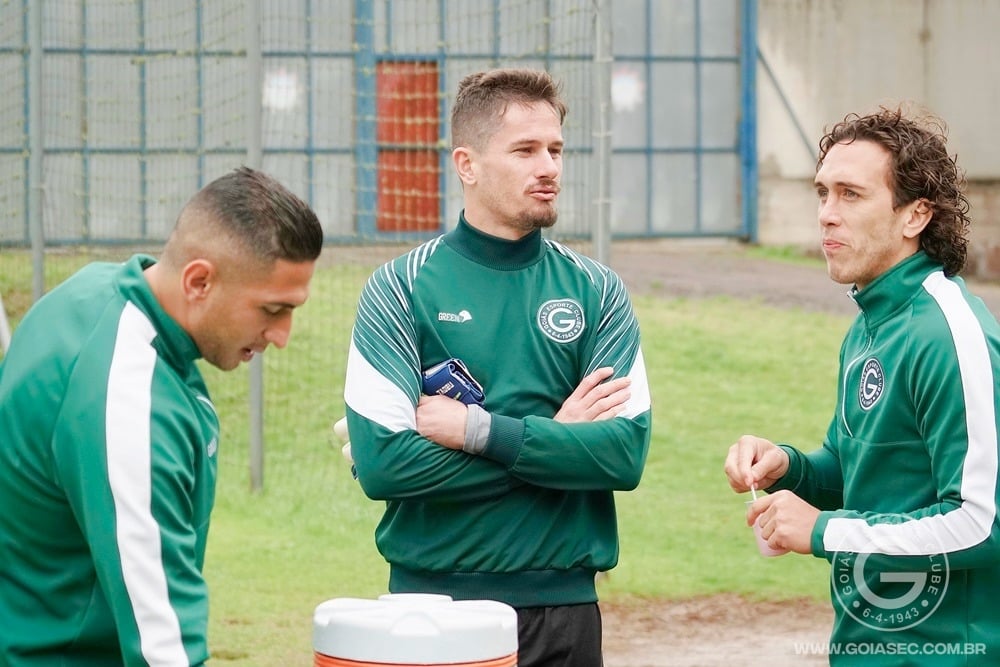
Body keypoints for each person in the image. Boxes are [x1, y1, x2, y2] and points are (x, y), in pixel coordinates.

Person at [343, 67, 652, 666]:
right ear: (467, 164)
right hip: (434, 610)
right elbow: (383, 467)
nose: (549, 167)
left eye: (556, 149)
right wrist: (556, 438)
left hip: (564, 612)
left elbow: (622, 455)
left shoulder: (597, 290)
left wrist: (478, 432)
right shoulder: (399, 288)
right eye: (525, 150)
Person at [0, 166, 324, 666]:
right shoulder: (128, 399)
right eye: (272, 310)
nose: (282, 336)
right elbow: (163, 649)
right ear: (199, 281)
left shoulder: (92, 293)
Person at [724, 107, 1000, 664]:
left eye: (851, 195)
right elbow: (855, 473)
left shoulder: (948, 335)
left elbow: (980, 525)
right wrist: (789, 468)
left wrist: (823, 531)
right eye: (822, 193)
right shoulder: (869, 326)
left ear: (916, 215)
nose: (827, 215)